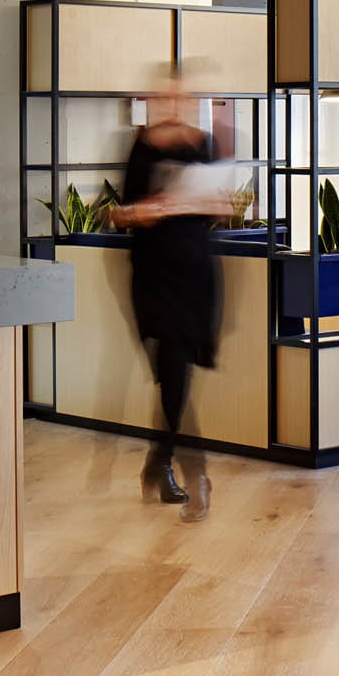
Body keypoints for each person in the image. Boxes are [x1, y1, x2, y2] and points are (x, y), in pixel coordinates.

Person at [113, 65, 232, 522]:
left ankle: (158, 464)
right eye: (167, 98)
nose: (176, 106)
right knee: (173, 366)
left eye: (183, 98)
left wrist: (204, 202)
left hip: (196, 273)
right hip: (153, 275)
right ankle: (193, 470)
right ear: (156, 101)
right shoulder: (141, 147)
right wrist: (151, 210)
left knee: (177, 370)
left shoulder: (203, 144)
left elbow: (221, 207)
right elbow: (120, 214)